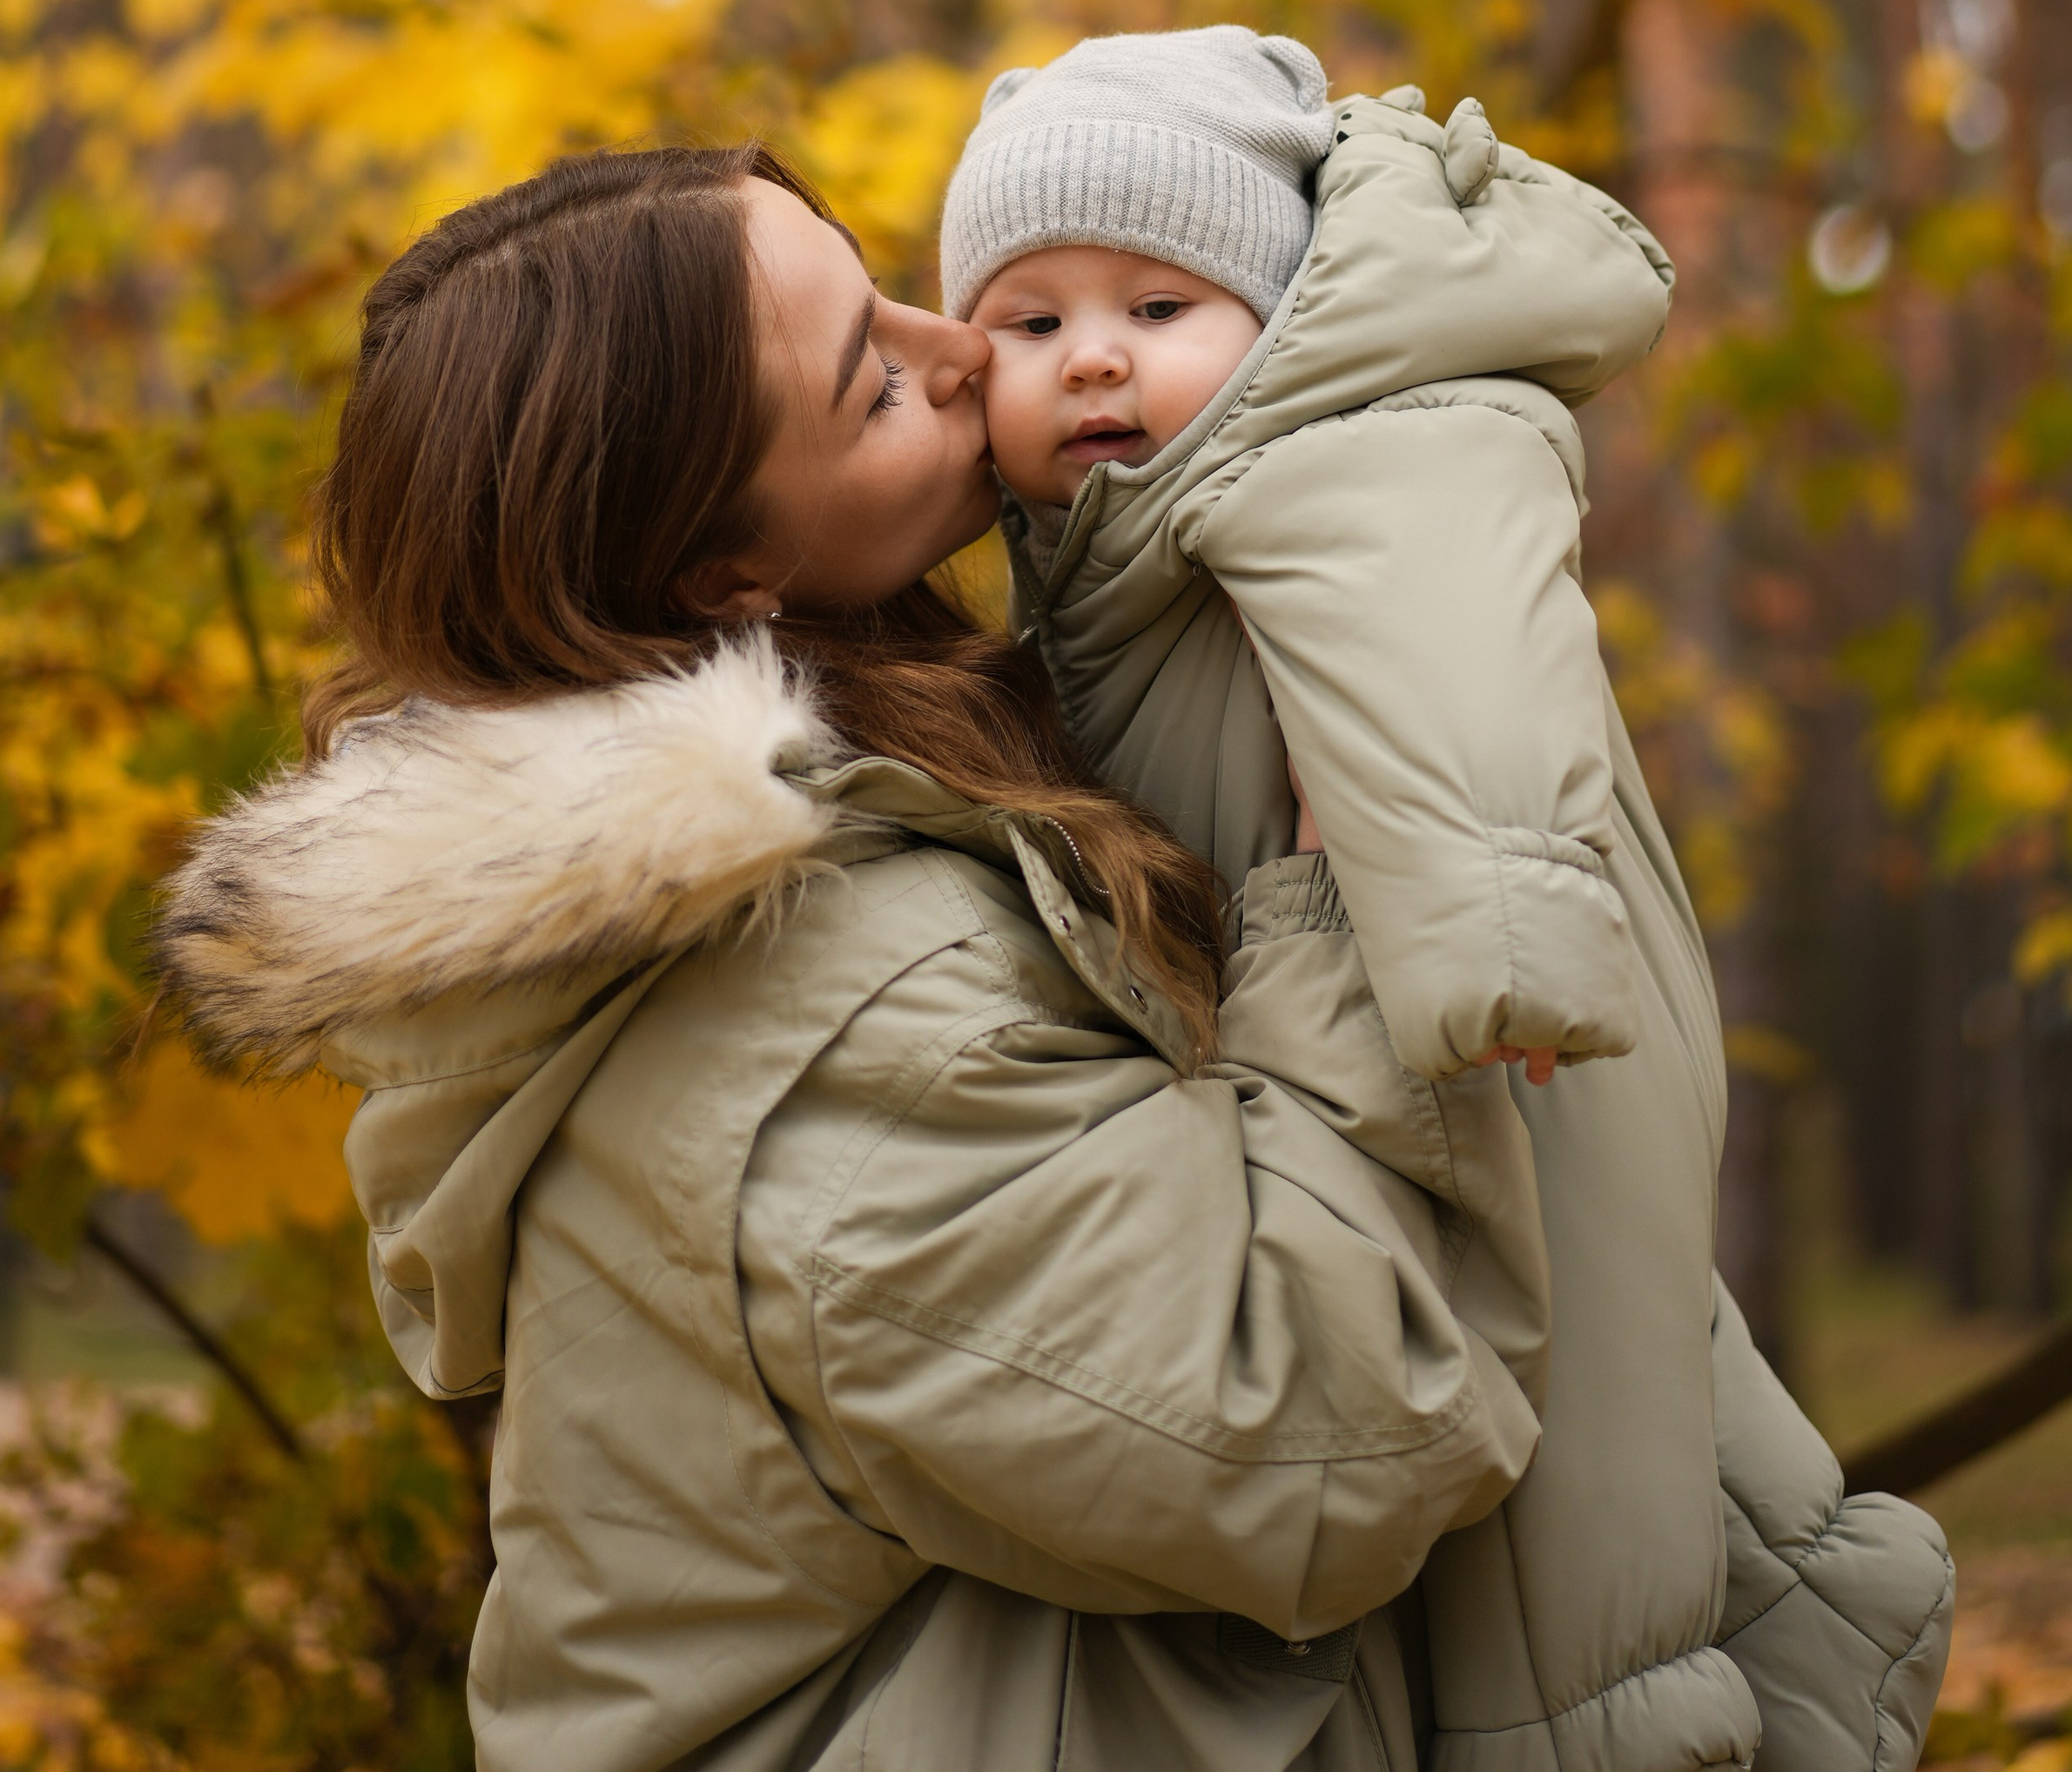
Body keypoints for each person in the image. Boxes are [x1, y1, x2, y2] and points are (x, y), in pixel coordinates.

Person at [158, 143, 1555, 1772]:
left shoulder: (847, 819)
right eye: (873, 384)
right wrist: (1336, 906)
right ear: (721, 578)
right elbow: (1332, 1440)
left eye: (886, 285)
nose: (965, 348)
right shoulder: (836, 1036)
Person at [939, 27, 1956, 1772]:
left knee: (1557, 1574)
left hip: (1484, 1029)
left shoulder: (1343, 458)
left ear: (1271, 319)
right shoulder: (1121, 548)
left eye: (1157, 310)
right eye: (1028, 325)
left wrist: (1485, 938)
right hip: (1363, 1062)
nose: (1090, 359)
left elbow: (1460, 661)